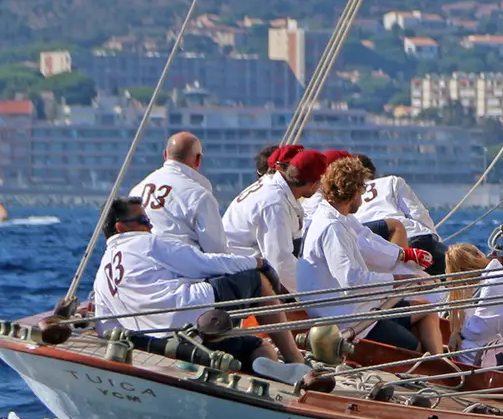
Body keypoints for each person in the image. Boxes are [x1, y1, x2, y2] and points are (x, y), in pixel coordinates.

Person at [91, 196, 314, 383]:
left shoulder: (102, 273)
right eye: (143, 220)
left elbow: (105, 326)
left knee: (256, 345)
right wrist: (259, 264)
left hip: (156, 338)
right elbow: (205, 264)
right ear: (121, 227)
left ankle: (253, 361)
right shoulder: (148, 243)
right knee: (257, 281)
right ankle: (296, 360)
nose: (150, 226)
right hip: (190, 316)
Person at [298, 156, 444, 354]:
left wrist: (404, 255)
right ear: (354, 193)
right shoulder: (332, 228)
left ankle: (441, 363)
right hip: (346, 317)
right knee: (414, 346)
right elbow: (351, 279)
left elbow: (366, 239)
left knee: (426, 308)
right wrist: (398, 279)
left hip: (358, 306)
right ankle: (433, 370)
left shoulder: (339, 216)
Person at [223, 146, 330, 295]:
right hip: (240, 273)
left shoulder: (273, 187)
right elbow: (280, 262)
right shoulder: (275, 204)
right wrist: (317, 293)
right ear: (313, 184)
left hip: (247, 265)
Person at [127, 132, 226, 253]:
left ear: (164, 155)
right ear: (198, 160)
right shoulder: (199, 196)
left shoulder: (136, 191)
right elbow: (217, 251)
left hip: (141, 263)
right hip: (183, 268)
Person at [354, 154, 447, 273]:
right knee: (459, 271)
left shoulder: (347, 198)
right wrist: (435, 239)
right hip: (414, 238)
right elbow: (417, 213)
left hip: (379, 251)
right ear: (372, 172)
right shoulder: (391, 181)